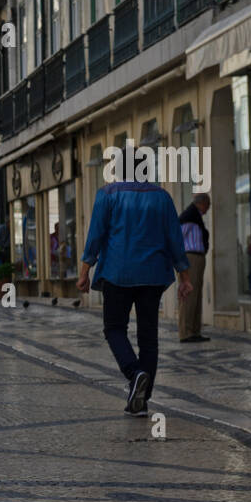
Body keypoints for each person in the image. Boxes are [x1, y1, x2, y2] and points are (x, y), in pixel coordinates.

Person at [78, 178, 192, 417]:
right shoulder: (162, 197)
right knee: (148, 338)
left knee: (114, 329)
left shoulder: (108, 194)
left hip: (117, 272)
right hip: (153, 274)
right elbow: (175, 238)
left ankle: (134, 373)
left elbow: (96, 234)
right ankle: (142, 398)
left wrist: (84, 271)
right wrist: (185, 276)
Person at [178, 193, 211, 342]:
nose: (208, 209)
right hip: (190, 258)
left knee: (197, 295)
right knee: (189, 294)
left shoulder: (195, 217)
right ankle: (186, 332)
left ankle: (194, 330)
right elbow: (178, 237)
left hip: (197, 257)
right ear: (202, 203)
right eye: (208, 205)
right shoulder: (189, 217)